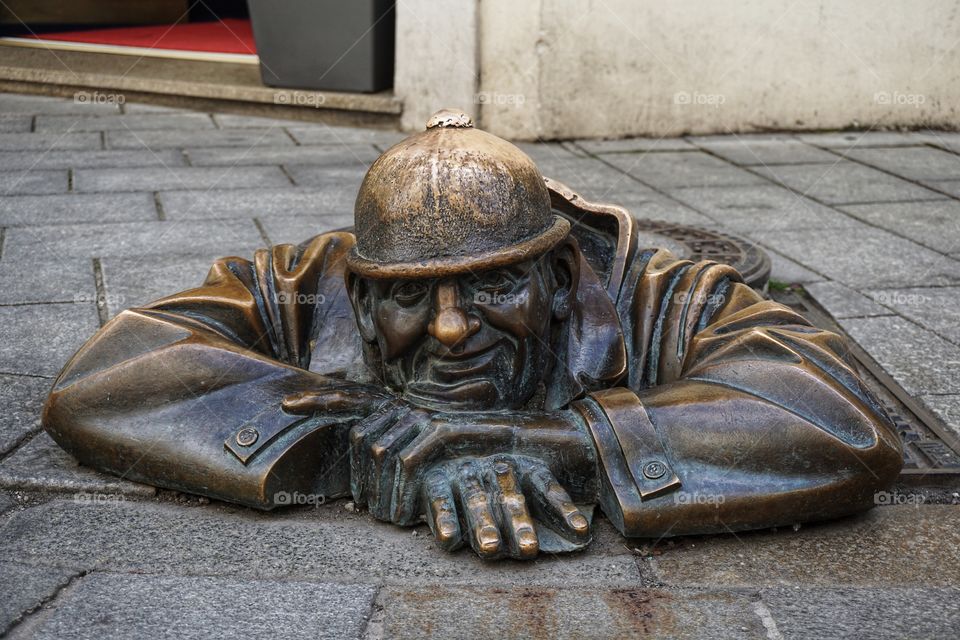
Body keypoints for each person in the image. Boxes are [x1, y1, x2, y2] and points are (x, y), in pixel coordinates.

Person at [43, 109, 902, 560]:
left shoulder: (664, 296)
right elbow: (109, 374)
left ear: (561, 280)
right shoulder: (314, 280)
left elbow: (838, 420)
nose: (452, 327)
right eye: (412, 298)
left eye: (494, 285)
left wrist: (558, 440)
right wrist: (357, 433)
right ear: (364, 289)